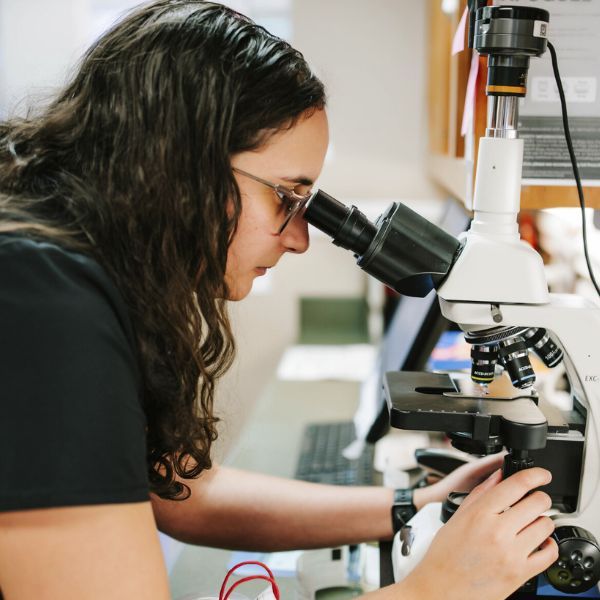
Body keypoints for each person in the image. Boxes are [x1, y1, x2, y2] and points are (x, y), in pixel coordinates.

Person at [0, 2, 558, 599]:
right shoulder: (43, 306)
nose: (298, 238)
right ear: (183, 166)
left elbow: (184, 493)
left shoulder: (77, 268)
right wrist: (441, 589)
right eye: (287, 199)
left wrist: (418, 501)